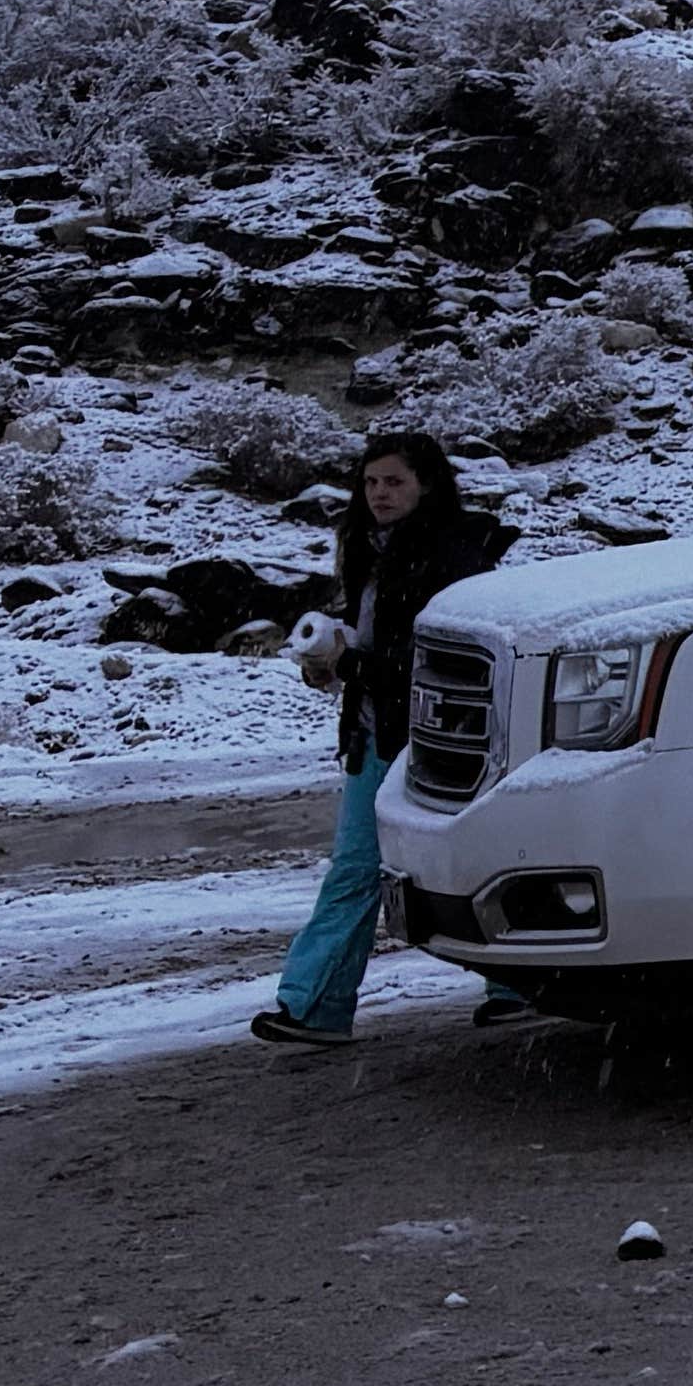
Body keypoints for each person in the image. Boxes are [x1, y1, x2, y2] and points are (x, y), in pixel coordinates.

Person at [250, 428, 511, 1051]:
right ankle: (314, 1004)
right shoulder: (375, 551)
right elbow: (382, 647)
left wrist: (351, 665)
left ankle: (514, 988)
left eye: (394, 481)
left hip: (438, 739)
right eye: (370, 482)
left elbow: (436, 656)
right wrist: (334, 659)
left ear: (426, 484)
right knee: (363, 869)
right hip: (379, 734)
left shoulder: (452, 558)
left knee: (467, 862)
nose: (379, 493)